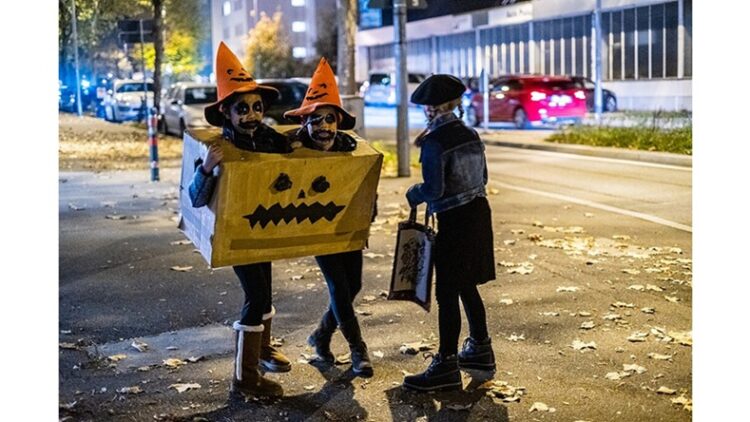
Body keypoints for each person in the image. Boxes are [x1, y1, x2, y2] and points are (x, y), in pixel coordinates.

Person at [188, 42, 292, 398]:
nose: (251, 115)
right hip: (236, 234)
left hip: (264, 229)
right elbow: (196, 198)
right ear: (227, 113)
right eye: (242, 109)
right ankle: (245, 379)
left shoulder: (270, 140)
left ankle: (262, 351)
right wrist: (208, 168)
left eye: (257, 108)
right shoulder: (218, 149)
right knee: (256, 294)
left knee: (266, 291)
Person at [401, 74, 496, 392]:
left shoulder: (435, 141)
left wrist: (414, 193)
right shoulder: (470, 134)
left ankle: (445, 364)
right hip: (479, 214)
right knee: (466, 284)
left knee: (447, 294)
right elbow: (483, 175)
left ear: (431, 108)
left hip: (454, 222)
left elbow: (434, 189)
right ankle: (481, 348)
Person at [282, 58, 374, 377]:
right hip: (319, 227)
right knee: (338, 286)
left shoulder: (350, 148)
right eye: (316, 120)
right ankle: (358, 350)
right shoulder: (297, 151)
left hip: (349, 225)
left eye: (329, 120)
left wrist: (367, 214)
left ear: (338, 122)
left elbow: (365, 185)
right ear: (306, 124)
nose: (323, 127)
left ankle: (320, 335)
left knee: (355, 285)